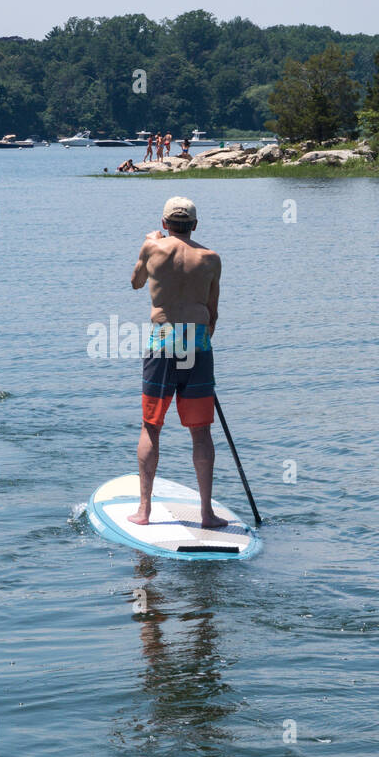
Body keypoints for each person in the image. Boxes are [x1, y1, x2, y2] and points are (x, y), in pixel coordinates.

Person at [128, 196, 225, 528]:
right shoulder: (211, 259)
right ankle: (207, 513)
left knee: (151, 426)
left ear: (164, 222)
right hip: (197, 342)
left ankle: (144, 511)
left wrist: (149, 242)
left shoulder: (153, 249)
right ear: (195, 225)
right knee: (201, 431)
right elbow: (213, 312)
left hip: (164, 338)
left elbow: (136, 282)